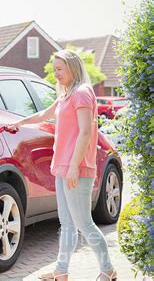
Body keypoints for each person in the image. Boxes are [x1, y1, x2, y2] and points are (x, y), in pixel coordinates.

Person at [7, 50, 117, 281]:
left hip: (76, 167)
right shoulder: (67, 94)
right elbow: (44, 114)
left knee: (84, 223)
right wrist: (19, 122)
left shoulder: (83, 93)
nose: (55, 74)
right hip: (62, 166)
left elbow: (86, 132)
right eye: (55, 69)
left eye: (59, 69)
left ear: (72, 68)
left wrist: (74, 166)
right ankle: (61, 271)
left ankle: (108, 270)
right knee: (66, 224)